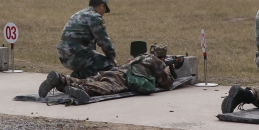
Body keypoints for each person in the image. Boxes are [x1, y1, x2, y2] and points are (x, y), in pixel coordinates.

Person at [39, 43, 178, 105]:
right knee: (101, 88)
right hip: (122, 79)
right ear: (163, 57)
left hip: (114, 71)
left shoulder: (141, 57)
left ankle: (61, 80)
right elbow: (167, 83)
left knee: (90, 79)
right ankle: (79, 90)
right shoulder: (156, 62)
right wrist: (167, 71)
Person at [56, 0, 116, 79]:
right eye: (104, 10)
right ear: (102, 6)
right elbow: (103, 40)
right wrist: (112, 57)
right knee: (109, 65)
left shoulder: (77, 14)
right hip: (76, 56)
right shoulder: (95, 17)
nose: (103, 13)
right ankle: (75, 80)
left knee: (92, 62)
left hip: (63, 56)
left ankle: (61, 80)